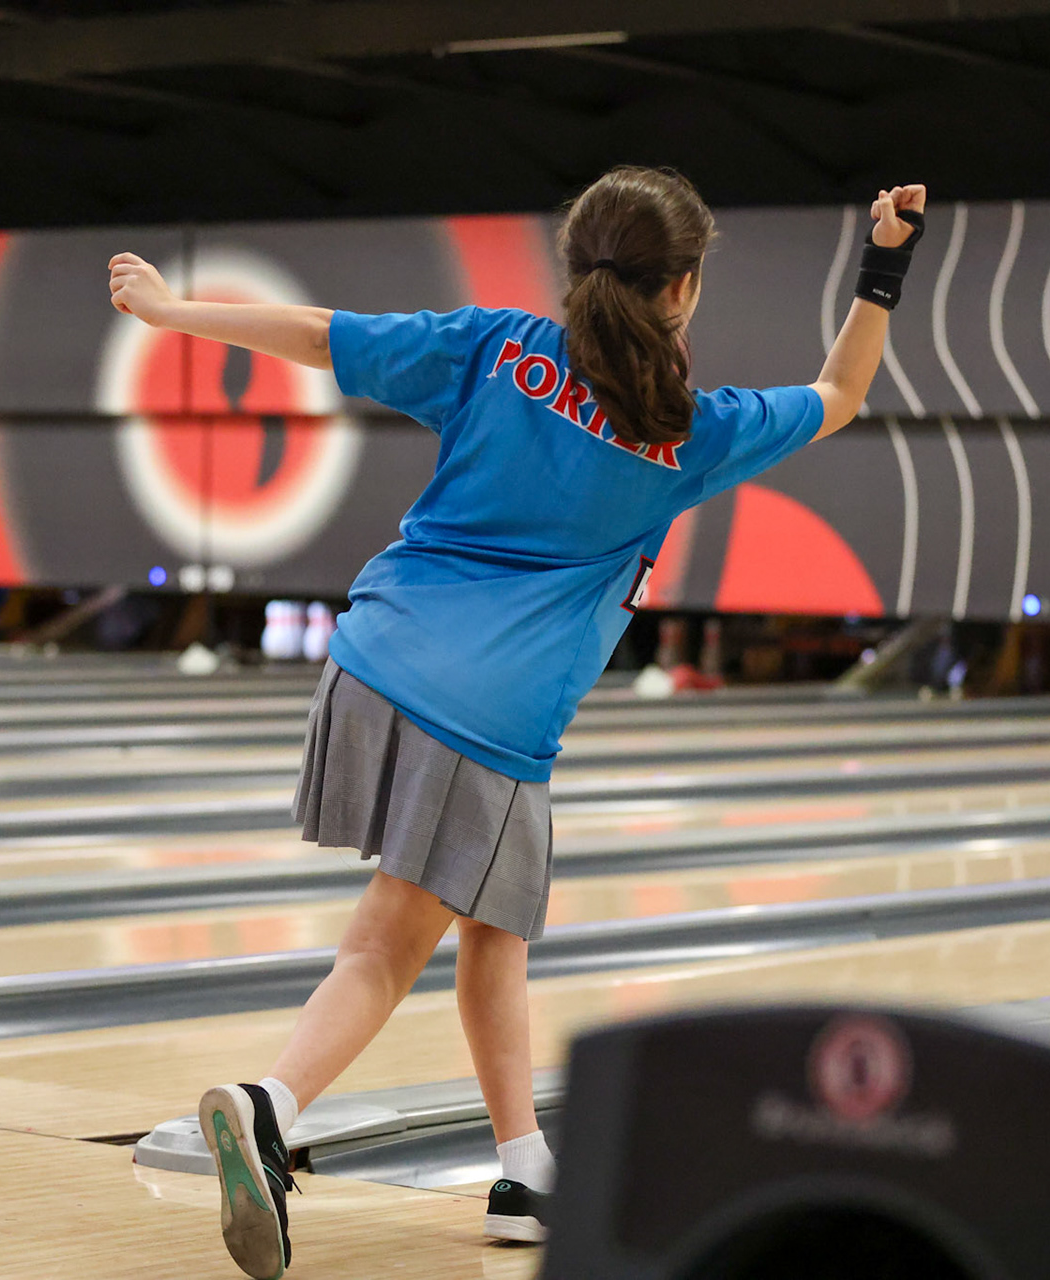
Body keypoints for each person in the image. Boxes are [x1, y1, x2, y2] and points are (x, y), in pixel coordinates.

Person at [106, 166, 927, 1280]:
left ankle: (522, 1162)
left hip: (372, 656)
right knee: (382, 950)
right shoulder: (694, 432)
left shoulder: (495, 347)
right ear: (683, 288)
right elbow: (843, 389)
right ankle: (267, 1102)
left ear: (573, 263)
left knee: (498, 925)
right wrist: (885, 261)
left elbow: (315, 334)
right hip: (485, 718)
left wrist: (171, 310)